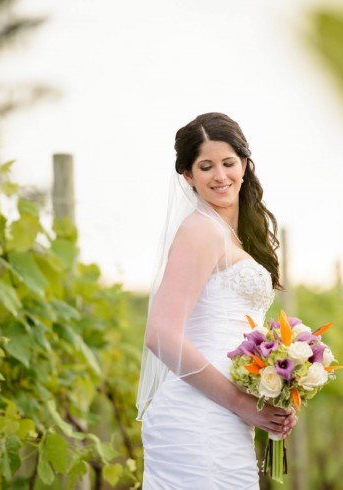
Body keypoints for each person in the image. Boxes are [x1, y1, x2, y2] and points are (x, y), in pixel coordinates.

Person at [136, 112, 297, 489]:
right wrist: (242, 404)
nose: (220, 176)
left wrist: (270, 397)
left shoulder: (233, 235)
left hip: (225, 415)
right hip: (197, 418)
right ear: (188, 176)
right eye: (205, 167)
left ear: (244, 165)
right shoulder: (200, 232)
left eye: (228, 163)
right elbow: (160, 335)